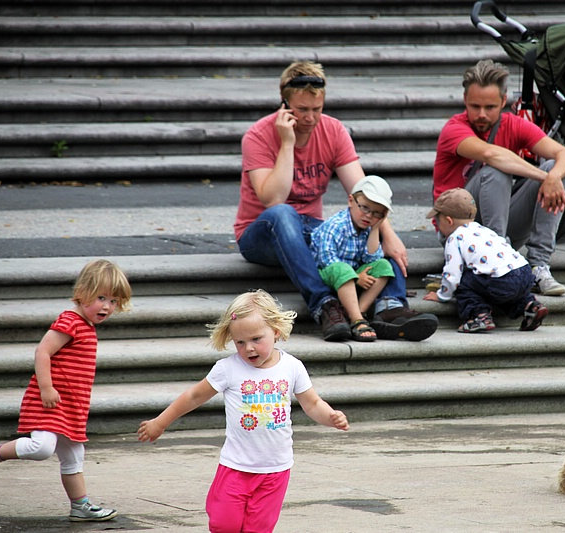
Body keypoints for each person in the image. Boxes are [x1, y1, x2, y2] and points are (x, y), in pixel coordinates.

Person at [235, 60, 438, 343]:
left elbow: (364, 192)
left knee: (374, 219)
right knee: (283, 212)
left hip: (311, 232)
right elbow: (273, 198)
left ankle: (390, 307)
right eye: (301, 110)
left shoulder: (333, 130)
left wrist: (388, 234)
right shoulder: (258, 136)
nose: (310, 118)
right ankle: (326, 305)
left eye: (317, 109)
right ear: (284, 103)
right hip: (262, 233)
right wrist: (288, 143)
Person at [137, 289, 350, 533]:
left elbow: (312, 403)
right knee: (223, 524)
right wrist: (161, 422)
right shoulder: (227, 369)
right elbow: (194, 396)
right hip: (236, 467)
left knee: (258, 529)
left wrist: (331, 417)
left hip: (275, 469)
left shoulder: (292, 367)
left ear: (276, 331)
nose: (248, 348)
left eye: (256, 339)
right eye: (240, 342)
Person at [0, 259, 132, 522]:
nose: (107, 306)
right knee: (41, 447)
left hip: (71, 405)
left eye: (114, 301)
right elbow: (43, 351)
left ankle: (80, 505)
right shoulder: (70, 321)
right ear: (82, 293)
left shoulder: (87, 327)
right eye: (101, 297)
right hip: (49, 400)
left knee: (74, 454)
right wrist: (46, 388)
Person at [432, 58, 565, 296]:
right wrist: (546, 177)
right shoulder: (453, 129)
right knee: (495, 169)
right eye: (474, 106)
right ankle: (496, 262)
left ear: (503, 101)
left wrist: (553, 176)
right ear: (464, 102)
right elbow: (491, 154)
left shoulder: (513, 124)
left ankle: (539, 265)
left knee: (557, 166)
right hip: (457, 229)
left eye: (489, 107)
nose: (481, 114)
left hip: (502, 223)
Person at [422, 188, 548, 333]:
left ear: (449, 221)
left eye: (438, 222)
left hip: (500, 280)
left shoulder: (455, 238)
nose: (438, 227)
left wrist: (441, 296)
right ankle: (530, 306)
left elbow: (452, 275)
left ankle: (479, 315)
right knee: (511, 291)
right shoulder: (485, 230)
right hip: (523, 272)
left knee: (464, 282)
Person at [310, 175, 396, 342]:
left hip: (351, 275)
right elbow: (327, 260)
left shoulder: (368, 227)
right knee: (342, 269)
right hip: (328, 273)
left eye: (377, 213)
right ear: (351, 201)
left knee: (383, 265)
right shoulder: (336, 225)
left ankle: (358, 313)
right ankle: (357, 319)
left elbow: (372, 258)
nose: (369, 216)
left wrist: (376, 229)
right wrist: (357, 278)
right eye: (365, 208)